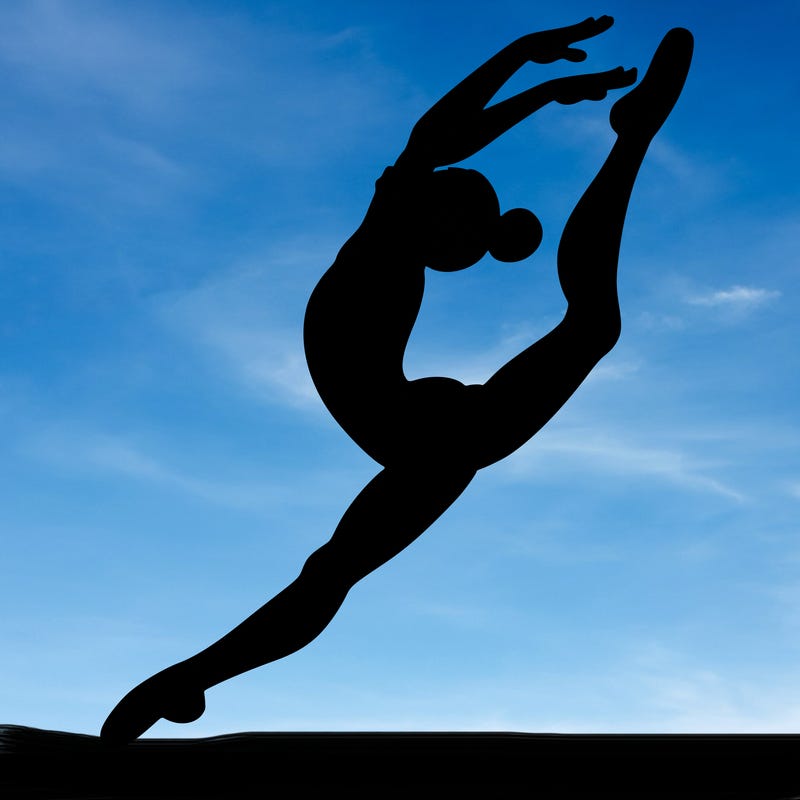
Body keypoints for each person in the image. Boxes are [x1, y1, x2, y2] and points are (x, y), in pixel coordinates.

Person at [101, 18, 693, 744]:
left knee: (594, 325)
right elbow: (438, 135)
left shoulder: (403, 241)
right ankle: (182, 681)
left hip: (433, 433)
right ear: (432, 206)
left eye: (479, 242)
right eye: (467, 231)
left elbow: (444, 152)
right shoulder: (387, 226)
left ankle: (633, 138)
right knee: (331, 574)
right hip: (424, 431)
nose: (473, 248)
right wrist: (524, 67)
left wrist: (538, 87)